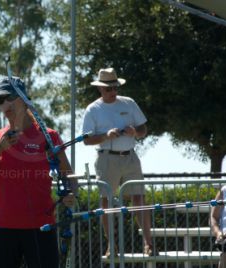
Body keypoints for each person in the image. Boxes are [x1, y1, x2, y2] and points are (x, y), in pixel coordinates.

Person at [0, 76, 76, 268]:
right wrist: (0, 147)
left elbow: (68, 176)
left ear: (23, 98)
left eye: (9, 97)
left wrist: (70, 194)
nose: (5, 105)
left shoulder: (49, 135)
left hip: (41, 226)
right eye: (0, 101)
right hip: (3, 227)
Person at [82, 68, 156, 257]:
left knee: (139, 198)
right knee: (106, 202)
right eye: (108, 89)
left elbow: (143, 129)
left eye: (114, 87)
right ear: (100, 89)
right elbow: (86, 140)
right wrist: (106, 136)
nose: (112, 91)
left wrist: (135, 132)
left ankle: (149, 244)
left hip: (130, 156)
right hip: (106, 158)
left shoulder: (129, 103)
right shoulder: (93, 109)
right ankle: (112, 246)